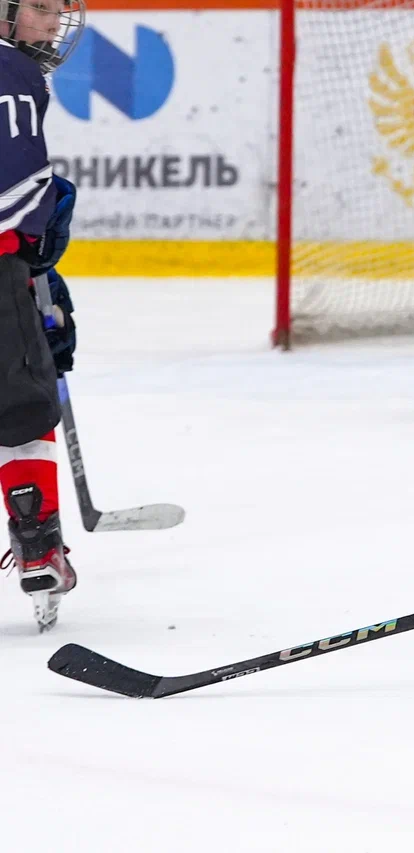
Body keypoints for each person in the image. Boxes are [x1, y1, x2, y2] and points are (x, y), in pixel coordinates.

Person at [0, 0, 84, 630]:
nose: (55, 20)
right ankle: (39, 548)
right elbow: (18, 184)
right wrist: (37, 251)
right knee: (22, 409)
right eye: (40, 8)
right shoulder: (15, 76)